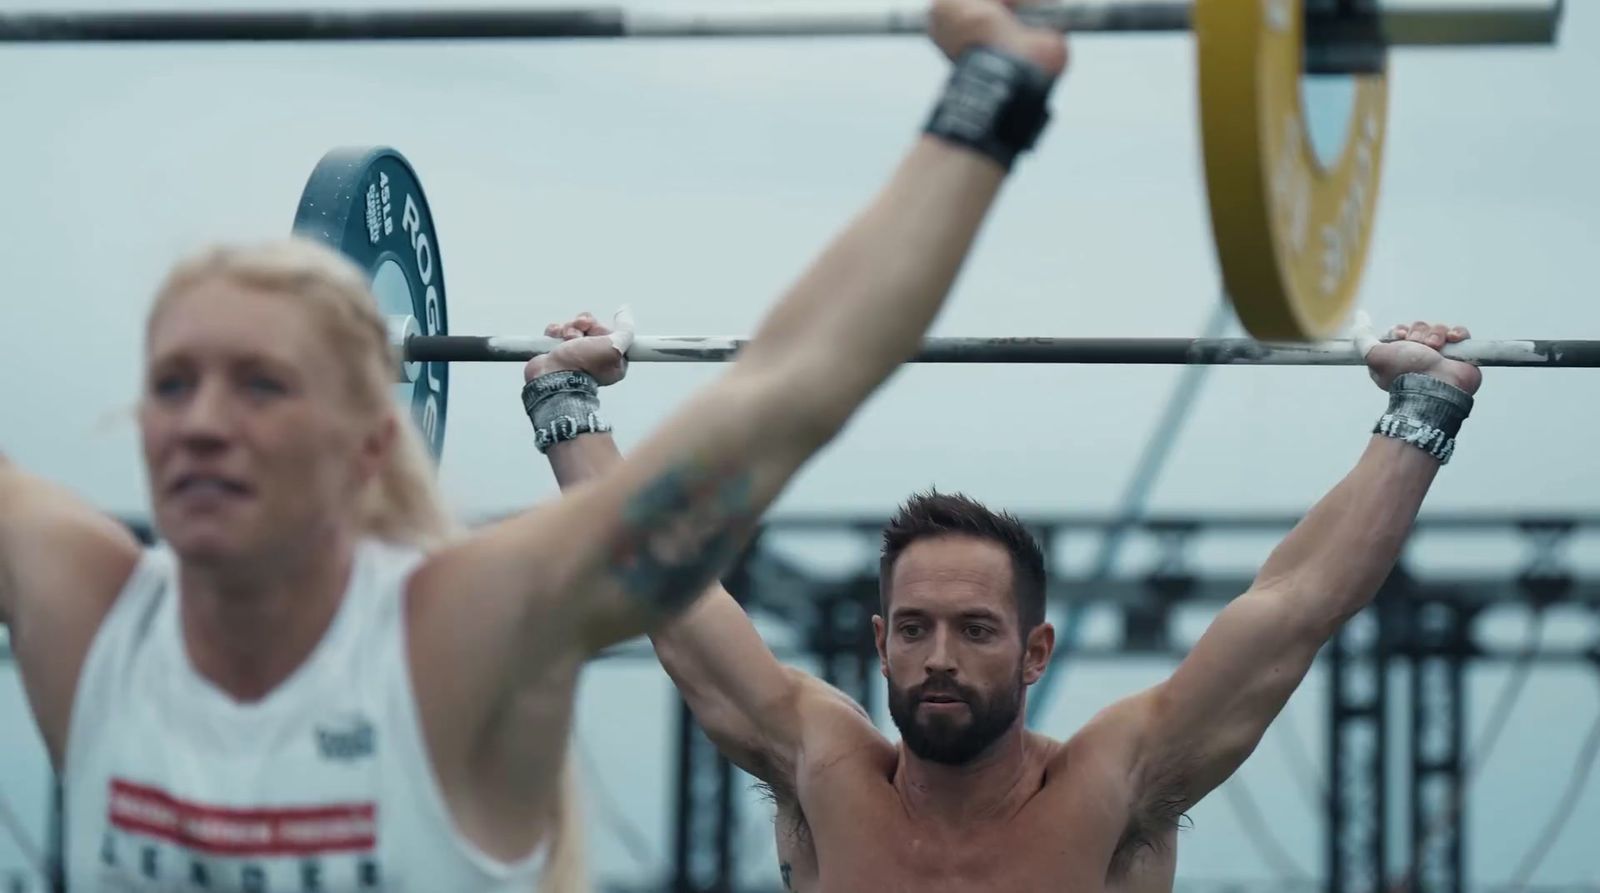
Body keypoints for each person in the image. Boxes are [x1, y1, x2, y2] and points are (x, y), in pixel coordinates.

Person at [0, 1, 1067, 890]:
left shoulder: (456, 637)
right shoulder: (89, 616)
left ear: (375, 436)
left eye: (261, 383)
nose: (202, 419)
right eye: (173, 382)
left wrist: (989, 90)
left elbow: (793, 385)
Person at [532, 310, 1481, 890]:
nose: (940, 653)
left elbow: (1294, 604)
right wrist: (567, 407)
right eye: (915, 627)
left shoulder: (1115, 787)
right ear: (881, 643)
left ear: (1035, 652)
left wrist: (1421, 411)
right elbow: (667, 592)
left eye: (976, 628)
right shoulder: (821, 767)